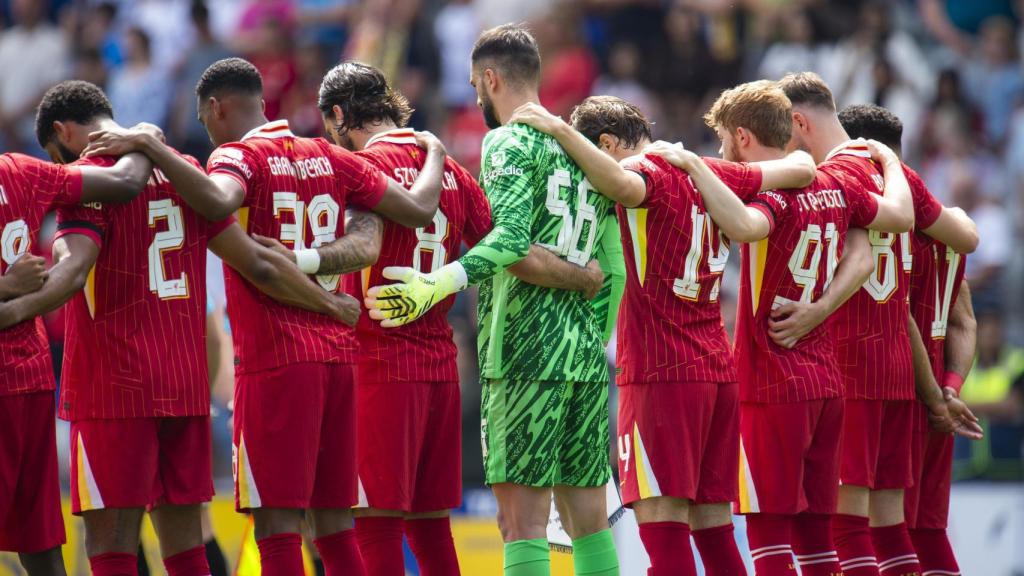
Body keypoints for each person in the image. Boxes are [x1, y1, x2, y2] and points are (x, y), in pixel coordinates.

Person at [84, 56, 451, 576]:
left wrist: (152, 146)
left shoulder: (237, 155)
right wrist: (435, 152)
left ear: (217, 108)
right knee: (335, 529)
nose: (208, 132)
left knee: (277, 531)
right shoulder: (327, 154)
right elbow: (417, 210)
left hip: (275, 362)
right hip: (338, 362)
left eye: (205, 121)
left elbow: (218, 203)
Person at [259, 60, 603, 576]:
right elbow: (514, 252)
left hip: (377, 364)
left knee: (375, 526)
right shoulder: (452, 172)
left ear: (338, 115)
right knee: (431, 529)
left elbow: (357, 247)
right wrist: (582, 276)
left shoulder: (357, 169)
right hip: (441, 368)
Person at [18, 79, 359, 576]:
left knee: (110, 544)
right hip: (184, 387)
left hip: (113, 389)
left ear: (63, 131)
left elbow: (71, 275)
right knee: (186, 546)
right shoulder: (187, 173)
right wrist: (330, 303)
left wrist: (14, 303)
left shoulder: (88, 181)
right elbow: (257, 264)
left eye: (56, 152)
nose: (61, 163)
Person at [507, 93, 822, 575]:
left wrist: (559, 129)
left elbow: (621, 182)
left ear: (606, 144)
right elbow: (801, 167)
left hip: (661, 373)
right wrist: (695, 162)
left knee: (664, 530)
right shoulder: (709, 170)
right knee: (714, 530)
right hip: (716, 370)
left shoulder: (647, 171)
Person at [367, 24, 625, 576]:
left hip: (523, 354)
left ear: (490, 79)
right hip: (582, 354)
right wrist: (593, 333)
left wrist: (437, 284)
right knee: (589, 522)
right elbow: (615, 268)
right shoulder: (579, 146)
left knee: (521, 524)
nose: (476, 98)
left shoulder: (509, 141)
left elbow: (508, 241)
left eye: (474, 86)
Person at [652, 80, 916, 576]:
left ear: (743, 137)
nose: (721, 154)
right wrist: (889, 162)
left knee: (769, 536)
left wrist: (693, 167)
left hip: (772, 380)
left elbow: (745, 227)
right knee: (820, 540)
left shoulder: (774, 195)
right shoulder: (836, 186)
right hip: (826, 383)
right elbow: (900, 217)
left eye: (724, 142)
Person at [0, 103, 153, 576]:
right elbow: (126, 180)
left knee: (41, 538)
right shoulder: (20, 171)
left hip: (28, 383)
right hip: (30, 377)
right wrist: (144, 137)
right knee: (40, 542)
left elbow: (125, 184)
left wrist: (143, 138)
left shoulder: (22, 171)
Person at [837, 103, 987, 574]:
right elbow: (963, 320)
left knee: (865, 531)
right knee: (924, 532)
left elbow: (899, 316)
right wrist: (951, 388)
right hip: (937, 395)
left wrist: (935, 398)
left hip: (902, 392)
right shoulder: (944, 223)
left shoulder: (894, 227)